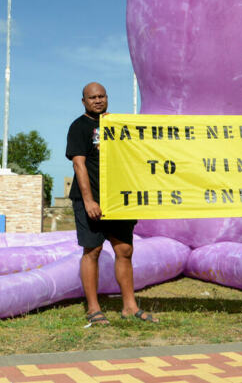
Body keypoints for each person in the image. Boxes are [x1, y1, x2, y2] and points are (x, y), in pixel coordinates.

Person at [66, 82, 157, 326]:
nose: (97, 100)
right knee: (92, 250)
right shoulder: (79, 126)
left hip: (119, 199)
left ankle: (130, 306)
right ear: (84, 101)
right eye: (92, 97)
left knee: (125, 250)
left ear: (107, 97)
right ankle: (93, 309)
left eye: (101, 96)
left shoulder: (119, 125)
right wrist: (88, 201)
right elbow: (78, 164)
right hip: (91, 199)